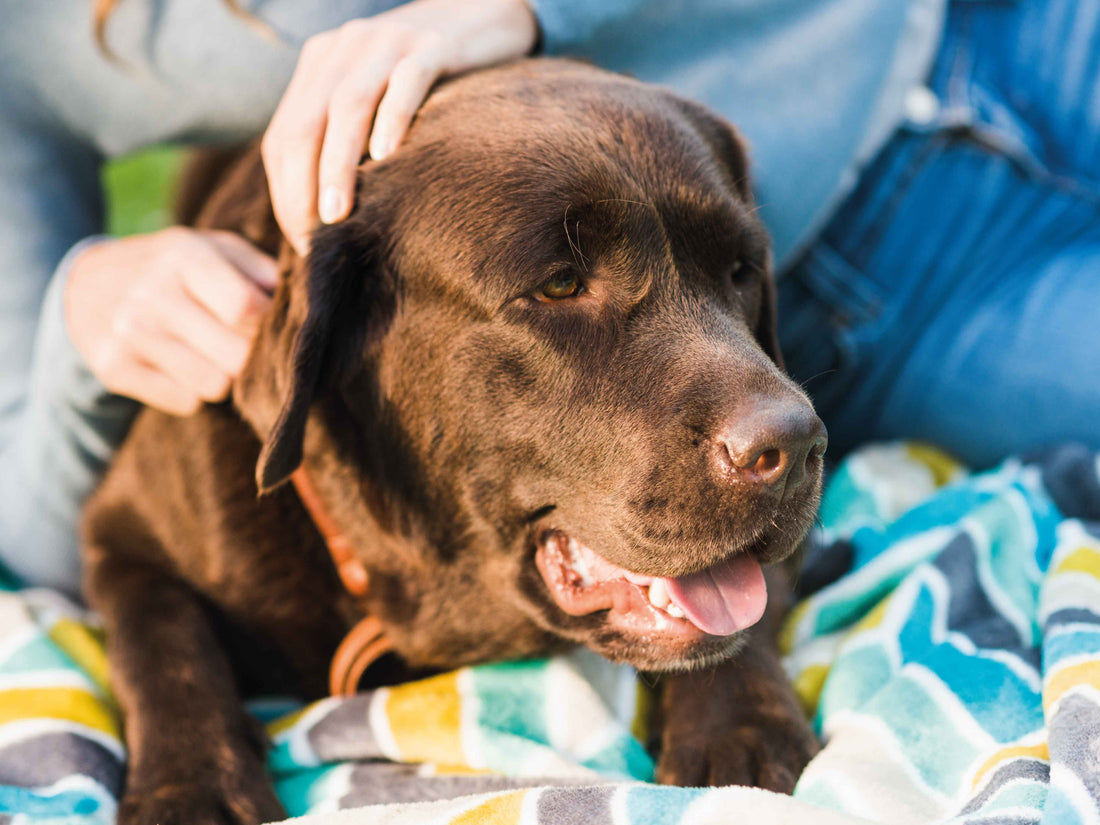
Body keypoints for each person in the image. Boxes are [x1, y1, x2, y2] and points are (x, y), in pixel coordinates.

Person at [2, 0, 1097, 595]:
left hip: (981, 30)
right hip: (836, 324)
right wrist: (77, 312)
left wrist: (524, 10)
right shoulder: (28, 44)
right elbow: (33, 533)